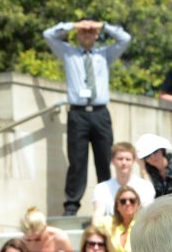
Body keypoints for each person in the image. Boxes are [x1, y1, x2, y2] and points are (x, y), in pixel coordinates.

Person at [43, 17, 131, 215]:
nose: (87, 35)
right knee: (77, 161)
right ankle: (72, 205)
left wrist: (102, 25)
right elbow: (48, 35)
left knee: (105, 158)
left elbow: (125, 39)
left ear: (96, 35)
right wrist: (73, 25)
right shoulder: (68, 52)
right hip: (78, 114)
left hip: (100, 113)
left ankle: (108, 203)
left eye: (90, 32)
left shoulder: (104, 54)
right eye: (83, 32)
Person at [90, 142, 156, 219]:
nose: (124, 163)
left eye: (128, 159)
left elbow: (148, 214)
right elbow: (98, 215)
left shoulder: (145, 186)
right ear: (112, 161)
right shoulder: (101, 188)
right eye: (120, 159)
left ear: (133, 161)